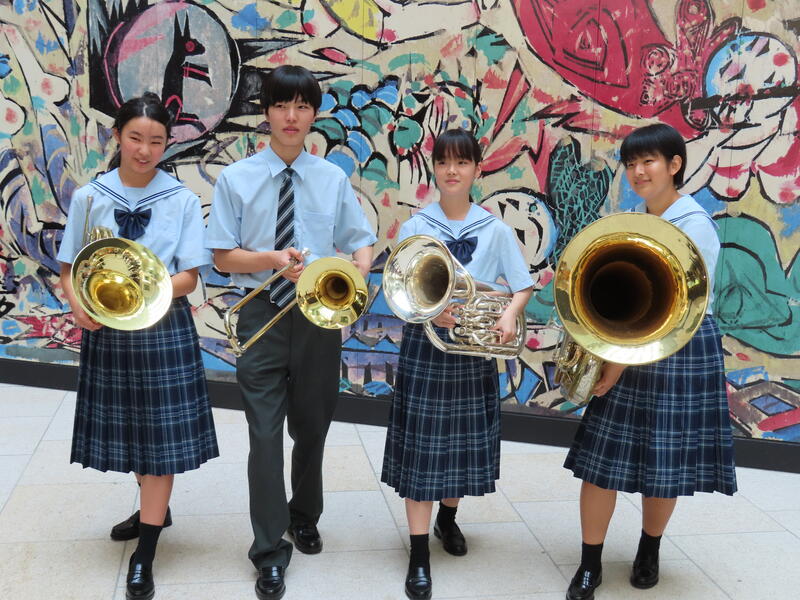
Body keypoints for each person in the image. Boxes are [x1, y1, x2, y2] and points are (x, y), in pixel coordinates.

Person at [205, 64, 376, 600]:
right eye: (281, 105)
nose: (292, 116)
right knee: (263, 434)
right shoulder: (236, 179)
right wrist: (272, 259)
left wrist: (358, 270)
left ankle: (304, 515)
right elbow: (222, 257)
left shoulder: (331, 178)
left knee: (313, 425)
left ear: (314, 114)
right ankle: (268, 550)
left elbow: (361, 239)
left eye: (303, 106)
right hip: (260, 315)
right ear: (267, 112)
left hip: (318, 316)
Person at [562, 123, 737, 600]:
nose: (638, 171)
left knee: (664, 464)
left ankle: (649, 550)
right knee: (600, 465)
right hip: (629, 346)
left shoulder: (695, 224)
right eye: (631, 163)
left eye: (649, 161)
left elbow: (677, 311)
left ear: (674, 165)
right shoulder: (633, 219)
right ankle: (589, 564)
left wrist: (617, 362)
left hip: (680, 350)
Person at [57, 93, 219, 600]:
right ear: (117, 136)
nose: (145, 150)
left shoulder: (182, 199)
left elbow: (190, 276)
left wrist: (144, 292)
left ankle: (145, 553)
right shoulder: (90, 197)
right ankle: (155, 510)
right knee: (130, 429)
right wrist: (78, 307)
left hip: (163, 328)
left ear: (167, 144)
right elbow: (68, 267)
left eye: (156, 141)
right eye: (135, 138)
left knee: (160, 442)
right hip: (107, 330)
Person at [381, 128, 534, 600]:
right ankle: (419, 555)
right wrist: (429, 311)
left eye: (462, 162)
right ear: (434, 168)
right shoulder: (415, 227)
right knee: (422, 449)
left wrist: (508, 314)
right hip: (426, 347)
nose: (452, 170)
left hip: (472, 351)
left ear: (477, 169)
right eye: (444, 161)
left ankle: (447, 518)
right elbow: (398, 290)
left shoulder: (496, 229)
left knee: (461, 445)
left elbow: (522, 285)